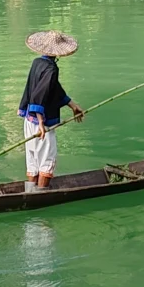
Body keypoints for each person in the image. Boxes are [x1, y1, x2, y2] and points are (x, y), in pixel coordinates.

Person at [17, 31, 85, 190]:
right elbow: (39, 94)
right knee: (47, 160)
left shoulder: (37, 63)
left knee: (33, 158)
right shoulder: (51, 69)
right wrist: (41, 122)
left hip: (29, 121)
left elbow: (54, 89)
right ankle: (40, 195)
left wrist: (73, 105)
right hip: (42, 124)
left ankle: (30, 191)